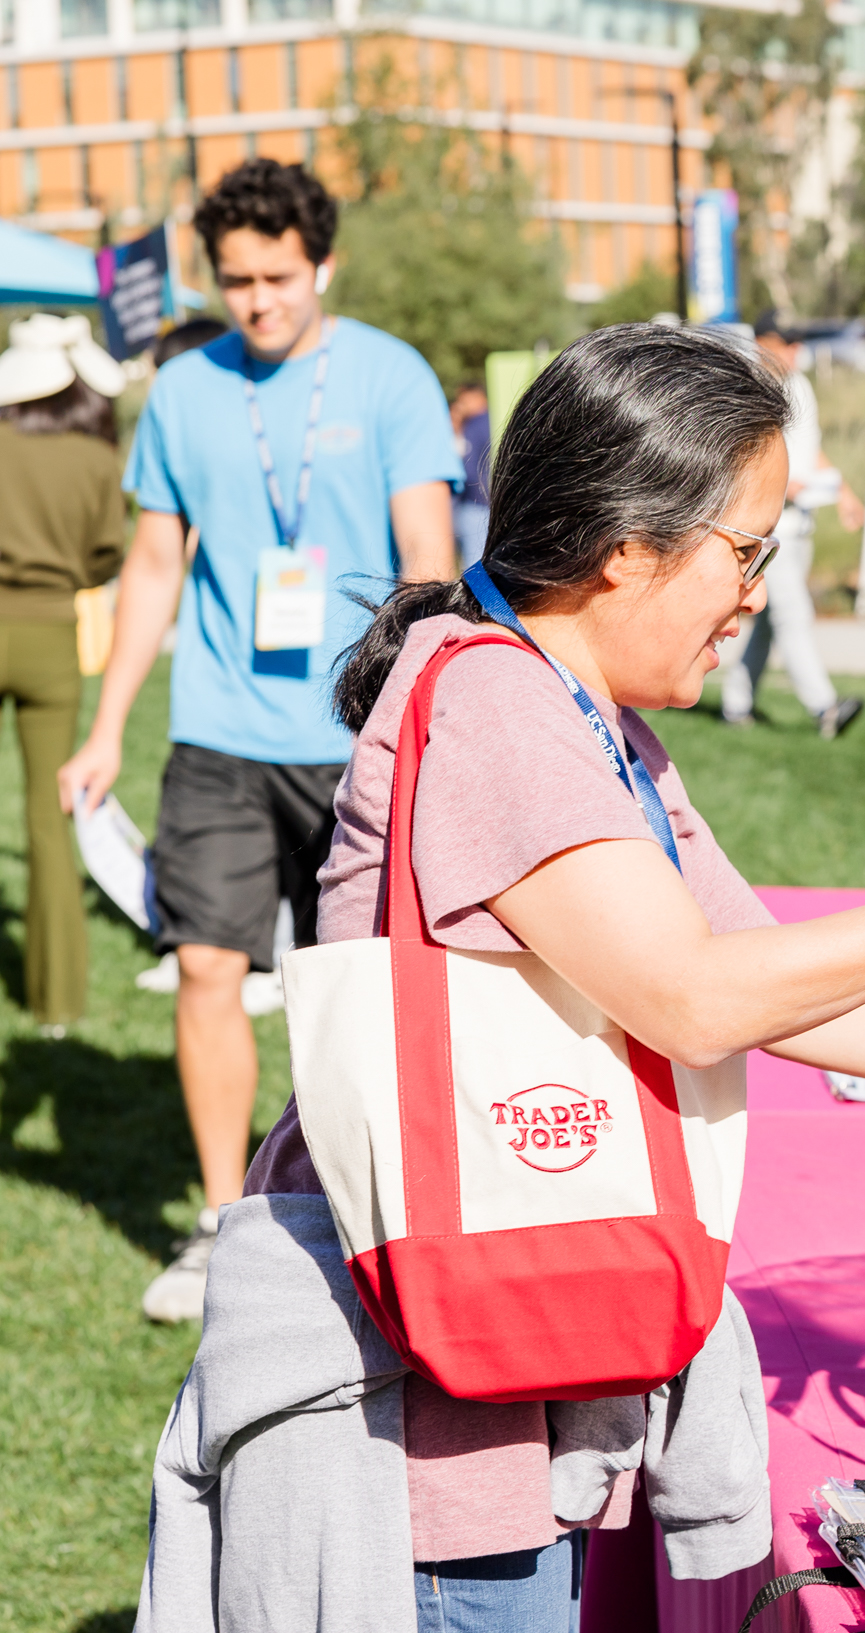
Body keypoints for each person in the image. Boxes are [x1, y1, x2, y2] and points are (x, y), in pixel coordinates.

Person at [154, 321, 865, 1622]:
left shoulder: (591, 722)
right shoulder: (497, 712)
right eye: (743, 551)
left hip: (500, 1362)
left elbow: (784, 983)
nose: (755, 593)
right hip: (418, 1412)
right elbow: (695, 998)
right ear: (624, 549)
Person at [57, 157, 462, 1323]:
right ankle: (226, 1221)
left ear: (321, 262)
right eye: (236, 281)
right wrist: (106, 728)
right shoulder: (186, 392)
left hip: (357, 734)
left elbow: (428, 564)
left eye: (277, 278)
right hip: (220, 733)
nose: (256, 302)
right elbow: (149, 565)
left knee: (369, 989)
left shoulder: (390, 377)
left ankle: (376, 1217)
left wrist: (423, 718)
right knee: (203, 969)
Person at [0, 315, 130, 1035]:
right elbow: (104, 558)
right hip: (53, 636)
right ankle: (57, 1003)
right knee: (51, 820)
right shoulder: (95, 457)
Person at [717, 314, 865, 736]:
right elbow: (736, 459)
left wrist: (844, 492)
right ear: (762, 341)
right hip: (769, 527)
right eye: (787, 343)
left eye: (799, 343)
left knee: (770, 621)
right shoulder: (745, 388)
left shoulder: (799, 385)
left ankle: (735, 704)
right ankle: (826, 708)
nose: (796, 351)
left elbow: (809, 452)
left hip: (802, 523)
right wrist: (780, 486)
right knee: (793, 616)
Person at [449, 379, 492, 569]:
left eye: (463, 400)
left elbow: (469, 468)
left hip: (475, 504)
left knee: (475, 569)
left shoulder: (474, 426)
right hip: (495, 502)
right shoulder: (498, 418)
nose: (460, 406)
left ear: (476, 397)